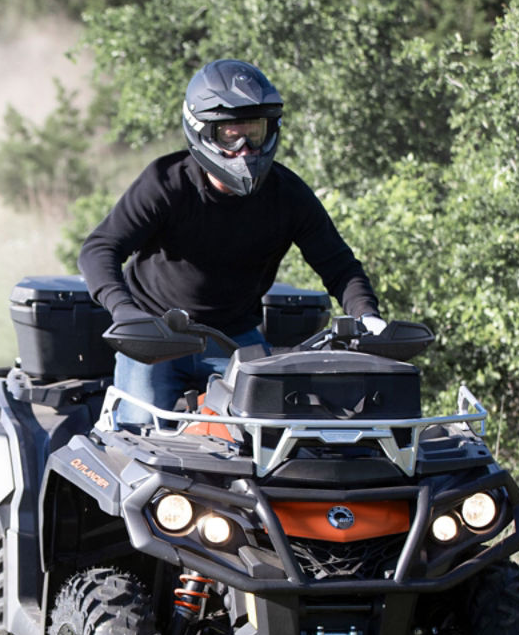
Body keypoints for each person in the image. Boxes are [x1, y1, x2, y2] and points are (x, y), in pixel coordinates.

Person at [78, 59, 385, 424]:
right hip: (155, 334)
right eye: (230, 134)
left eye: (254, 132)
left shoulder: (288, 195)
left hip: (236, 337)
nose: (244, 148)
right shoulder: (166, 183)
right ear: (202, 131)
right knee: (136, 431)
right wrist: (125, 312)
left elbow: (339, 265)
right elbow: (100, 249)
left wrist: (367, 316)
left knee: (267, 432)